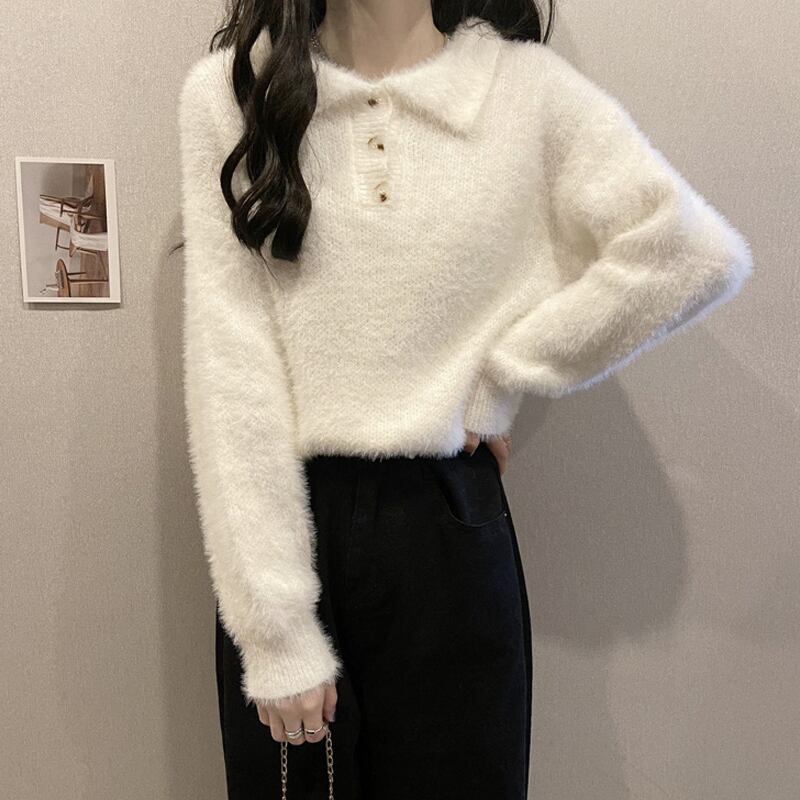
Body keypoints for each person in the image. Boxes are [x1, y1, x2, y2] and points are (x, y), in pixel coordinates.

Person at [177, 1, 753, 797]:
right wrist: (275, 631)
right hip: (285, 531)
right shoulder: (235, 95)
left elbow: (687, 252)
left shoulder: (526, 93)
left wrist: (506, 373)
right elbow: (231, 372)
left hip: (449, 528)